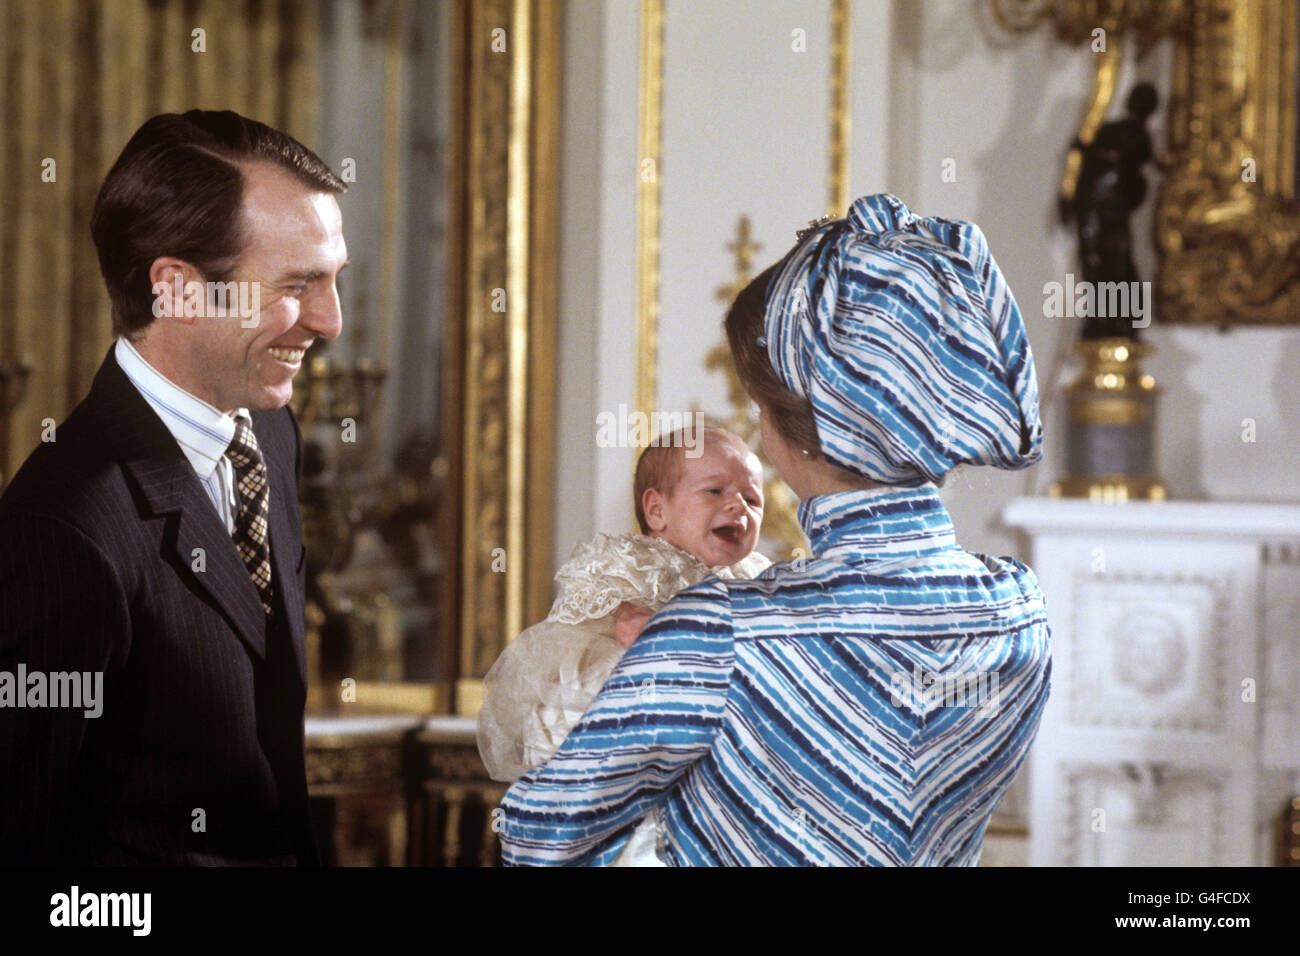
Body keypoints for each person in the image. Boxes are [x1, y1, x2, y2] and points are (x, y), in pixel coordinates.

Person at [496, 193, 1052, 866]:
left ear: (799, 428)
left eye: (760, 403)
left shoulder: (721, 630)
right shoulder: (1021, 613)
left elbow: (536, 832)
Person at [0, 110, 348, 865]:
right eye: (297, 285)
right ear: (178, 289)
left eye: (333, 280)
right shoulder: (63, 526)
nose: (330, 320)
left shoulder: (272, 437)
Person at [478, 426, 770, 865]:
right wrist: (656, 626)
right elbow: (613, 635)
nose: (738, 507)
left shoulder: (756, 578)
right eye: (715, 491)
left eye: (752, 498)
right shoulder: (636, 567)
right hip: (613, 717)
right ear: (656, 510)